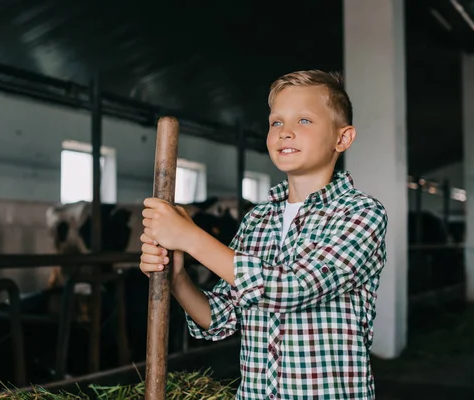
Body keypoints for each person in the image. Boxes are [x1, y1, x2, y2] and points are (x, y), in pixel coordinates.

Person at [139, 70, 388, 399]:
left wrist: (189, 237)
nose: (285, 133)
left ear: (342, 139)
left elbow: (294, 288)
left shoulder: (361, 214)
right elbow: (218, 318)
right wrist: (178, 276)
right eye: (276, 122)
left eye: (304, 121)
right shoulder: (258, 219)